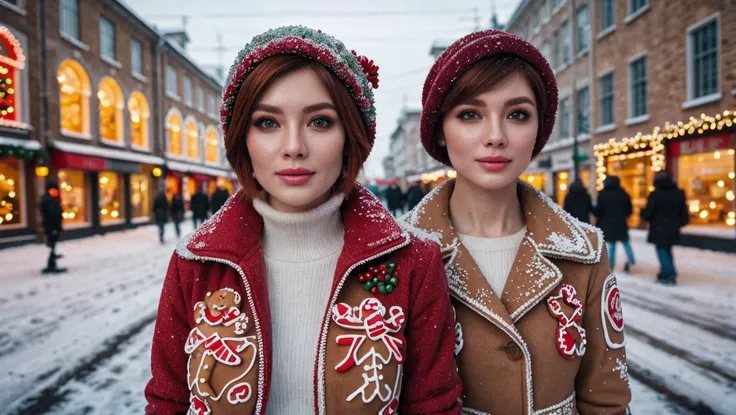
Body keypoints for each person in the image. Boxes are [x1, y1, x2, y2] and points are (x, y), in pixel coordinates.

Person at [145, 26, 461, 415]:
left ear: (351, 136)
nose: (293, 147)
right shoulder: (195, 264)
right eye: (268, 123)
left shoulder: (414, 262)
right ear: (241, 137)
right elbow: (167, 402)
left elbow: (433, 405)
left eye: (320, 122)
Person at [400, 30, 631, 414]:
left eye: (517, 114)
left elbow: (606, 397)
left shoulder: (584, 251)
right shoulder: (398, 253)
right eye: (470, 114)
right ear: (440, 129)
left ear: (538, 128)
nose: (496, 136)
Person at [641, 170, 689, 285]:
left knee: (661, 249)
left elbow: (649, 213)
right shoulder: (679, 193)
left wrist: (643, 213)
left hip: (658, 228)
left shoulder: (655, 194)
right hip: (672, 228)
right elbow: (683, 213)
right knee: (667, 249)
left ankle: (669, 274)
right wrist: (678, 223)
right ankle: (667, 271)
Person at [594, 175, 636, 272]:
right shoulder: (623, 194)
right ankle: (631, 261)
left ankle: (611, 266)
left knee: (612, 245)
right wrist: (623, 216)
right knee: (625, 242)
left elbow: (599, 210)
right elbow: (629, 209)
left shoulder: (603, 194)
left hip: (607, 223)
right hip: (621, 223)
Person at [40, 179, 67, 274]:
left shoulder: (49, 199)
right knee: (52, 244)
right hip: (52, 226)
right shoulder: (50, 200)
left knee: (53, 244)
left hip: (51, 226)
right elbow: (53, 214)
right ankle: (51, 264)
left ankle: (52, 261)